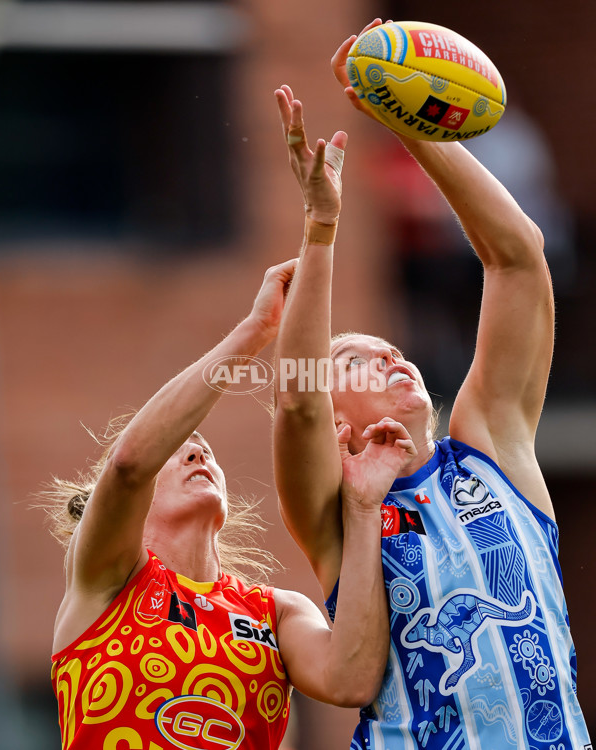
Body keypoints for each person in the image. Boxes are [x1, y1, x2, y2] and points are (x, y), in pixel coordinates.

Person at [273, 19, 592, 750]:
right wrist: (321, 227)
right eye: (359, 360)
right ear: (337, 424)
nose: (393, 358)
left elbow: (518, 260)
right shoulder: (337, 507)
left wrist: (407, 118)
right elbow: (294, 399)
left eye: (392, 349)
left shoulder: (489, 448)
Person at [47, 257, 412, 749]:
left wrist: (364, 510)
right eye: (175, 453)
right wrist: (256, 330)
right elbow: (130, 464)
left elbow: (349, 682)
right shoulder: (106, 578)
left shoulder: (275, 612)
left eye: (203, 448)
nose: (197, 451)